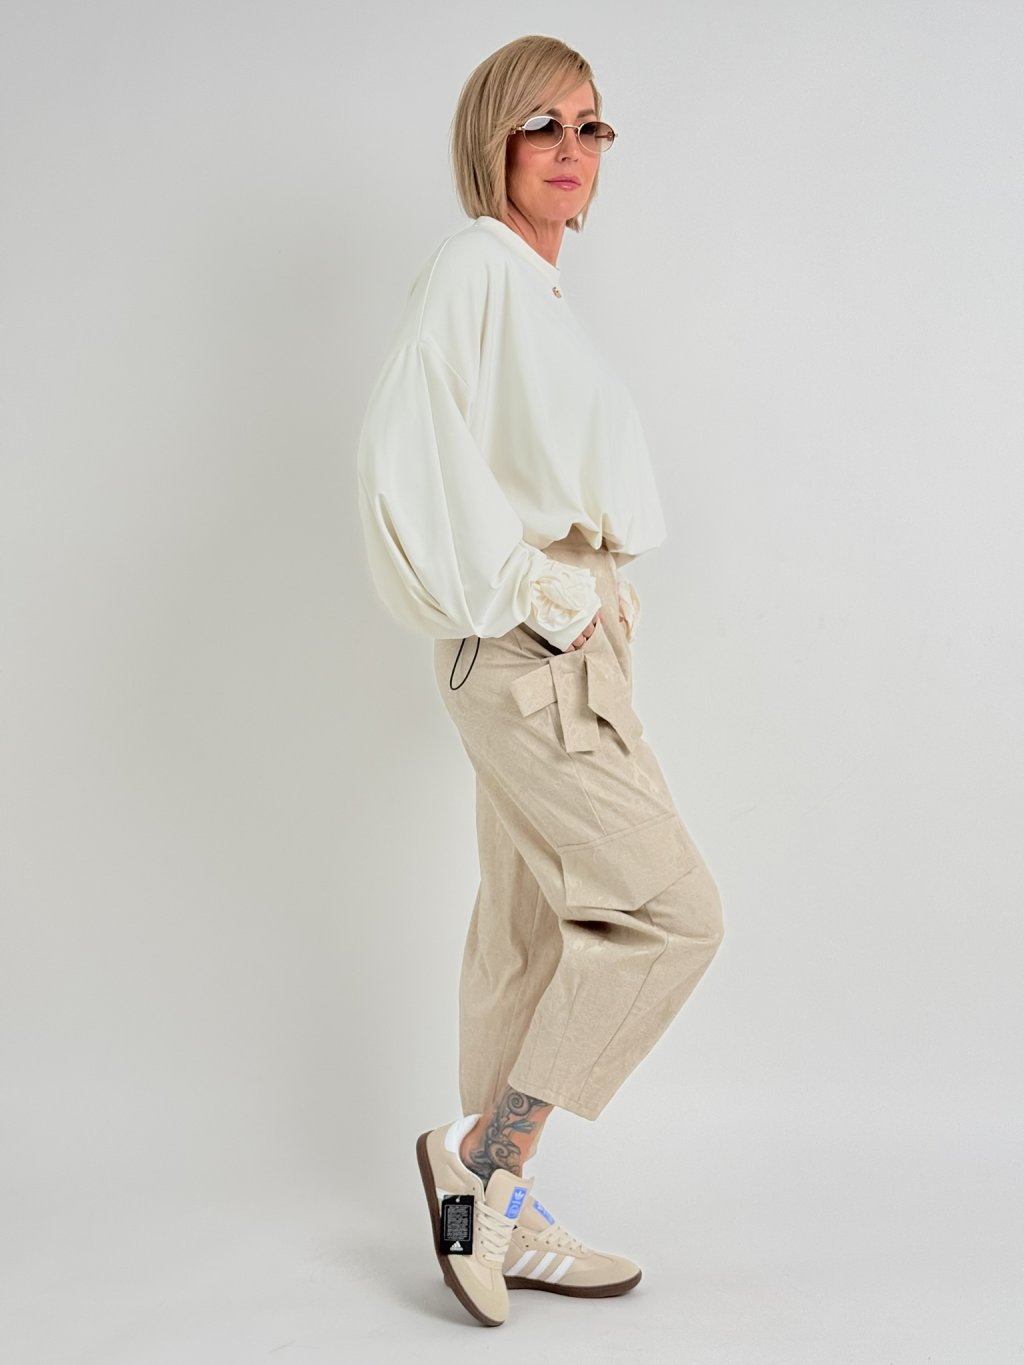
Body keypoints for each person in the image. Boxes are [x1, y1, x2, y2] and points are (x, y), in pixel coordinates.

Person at [356, 34, 725, 1328]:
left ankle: (496, 1217)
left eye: (591, 127)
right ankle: (485, 1160)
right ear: (494, 141)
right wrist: (533, 588)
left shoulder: (534, 287)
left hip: (554, 638)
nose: (572, 150)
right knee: (672, 914)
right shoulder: (477, 266)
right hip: (526, 642)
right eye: (543, 126)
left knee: (527, 931)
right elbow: (407, 445)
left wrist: (589, 590)